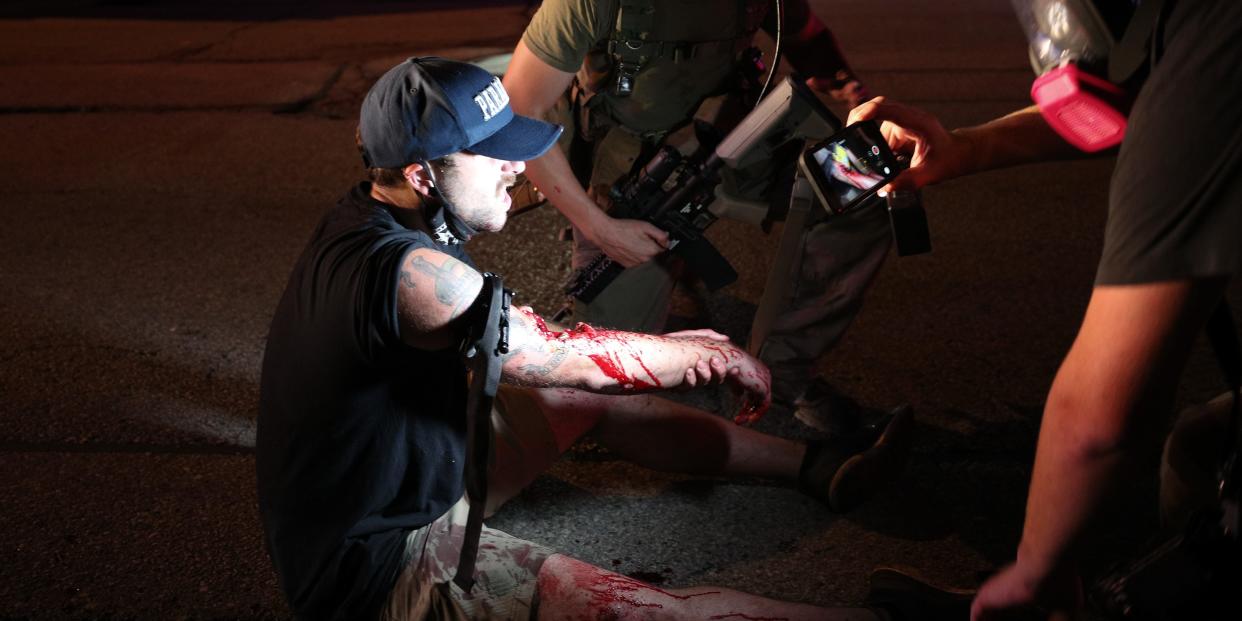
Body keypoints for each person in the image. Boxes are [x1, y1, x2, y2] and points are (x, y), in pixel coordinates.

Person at [256, 56, 914, 621]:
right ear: (424, 173)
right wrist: (705, 353)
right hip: (375, 567)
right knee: (645, 609)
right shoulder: (414, 276)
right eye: (495, 151)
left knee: (596, 400)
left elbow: (562, 362)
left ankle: (814, 464)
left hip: (412, 470)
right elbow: (565, 360)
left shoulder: (375, 209)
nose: (517, 165)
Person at [845, 0, 1242, 617]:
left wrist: (1034, 575)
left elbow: (1101, 417)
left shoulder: (1217, 43)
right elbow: (1117, 107)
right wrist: (965, 149)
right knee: (1200, 440)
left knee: (1201, 478)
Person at [504, 0, 907, 435]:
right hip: (634, 177)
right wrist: (602, 228)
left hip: (736, 146)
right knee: (603, 382)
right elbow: (520, 112)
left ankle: (783, 372)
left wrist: (854, 93)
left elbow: (806, 35)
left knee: (868, 188)